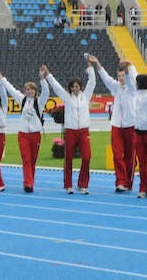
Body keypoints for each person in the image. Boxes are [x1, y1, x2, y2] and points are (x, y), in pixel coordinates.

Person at [44, 54, 97, 195]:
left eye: (78, 86)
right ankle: (68, 185)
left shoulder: (86, 96)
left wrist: (90, 67)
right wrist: (48, 75)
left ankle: (82, 184)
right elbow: (56, 87)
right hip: (71, 131)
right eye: (73, 86)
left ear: (81, 87)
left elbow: (92, 82)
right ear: (70, 88)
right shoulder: (67, 97)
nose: (76, 88)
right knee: (68, 159)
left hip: (84, 131)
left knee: (86, 157)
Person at [0, 71, 49, 193]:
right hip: (23, 135)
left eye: (31, 89)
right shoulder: (21, 100)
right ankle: (28, 183)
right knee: (26, 159)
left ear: (35, 91)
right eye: (27, 89)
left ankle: (30, 182)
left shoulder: (40, 102)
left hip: (35, 135)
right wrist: (1, 77)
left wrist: (42, 78)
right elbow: (11, 89)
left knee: (32, 161)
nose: (29, 91)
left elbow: (46, 92)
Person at [95, 60, 137, 193]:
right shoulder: (116, 87)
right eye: (119, 76)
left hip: (131, 125)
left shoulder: (132, 88)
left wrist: (128, 67)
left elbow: (131, 79)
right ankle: (120, 182)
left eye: (123, 75)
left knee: (130, 157)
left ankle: (128, 182)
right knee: (117, 155)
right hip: (116, 126)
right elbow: (105, 77)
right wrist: (97, 63)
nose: (121, 78)